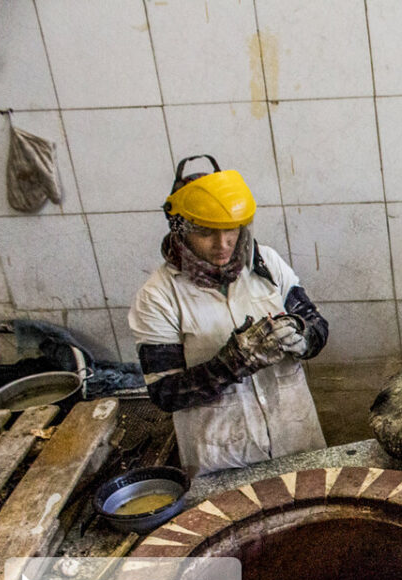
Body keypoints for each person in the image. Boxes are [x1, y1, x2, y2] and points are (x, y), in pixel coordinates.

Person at [129, 155, 329, 476]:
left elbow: (318, 326)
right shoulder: (157, 296)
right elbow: (165, 393)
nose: (223, 245)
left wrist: (299, 333)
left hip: (295, 439)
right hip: (222, 456)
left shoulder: (267, 262)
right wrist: (231, 363)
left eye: (230, 230)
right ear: (180, 229)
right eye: (206, 233)